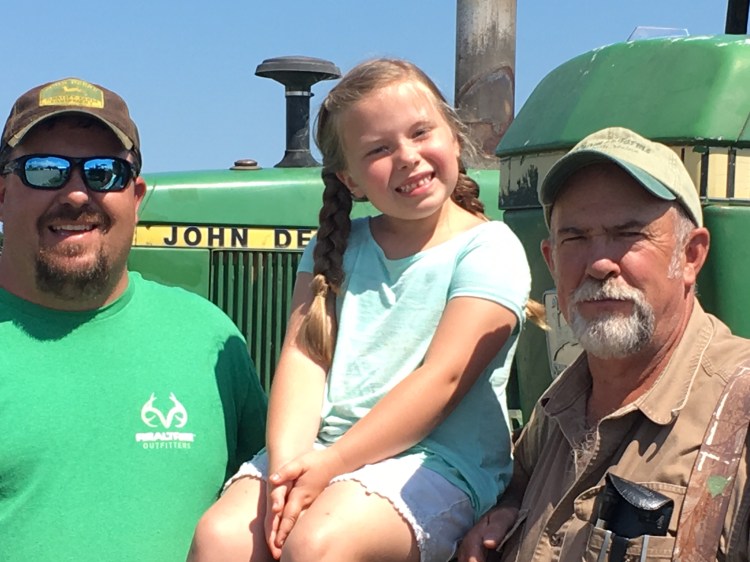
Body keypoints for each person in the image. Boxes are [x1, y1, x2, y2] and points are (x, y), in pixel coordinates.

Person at [187, 58, 542, 562]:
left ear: (455, 138)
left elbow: (442, 380)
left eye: (421, 133)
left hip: (435, 462)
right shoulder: (337, 247)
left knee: (318, 545)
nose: (408, 157)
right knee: (220, 538)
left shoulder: (489, 249)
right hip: (323, 452)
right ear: (349, 180)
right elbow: (303, 359)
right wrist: (289, 470)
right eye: (378, 149)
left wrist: (331, 465)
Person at [0, 77, 267, 561]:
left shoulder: (210, 339)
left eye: (104, 173)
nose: (77, 194)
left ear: (137, 196)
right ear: (2, 194)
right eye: (45, 171)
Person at [457, 126, 750, 562]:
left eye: (628, 234)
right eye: (575, 238)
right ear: (551, 261)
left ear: (690, 257)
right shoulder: (554, 417)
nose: (598, 263)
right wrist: (501, 512)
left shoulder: (738, 418)